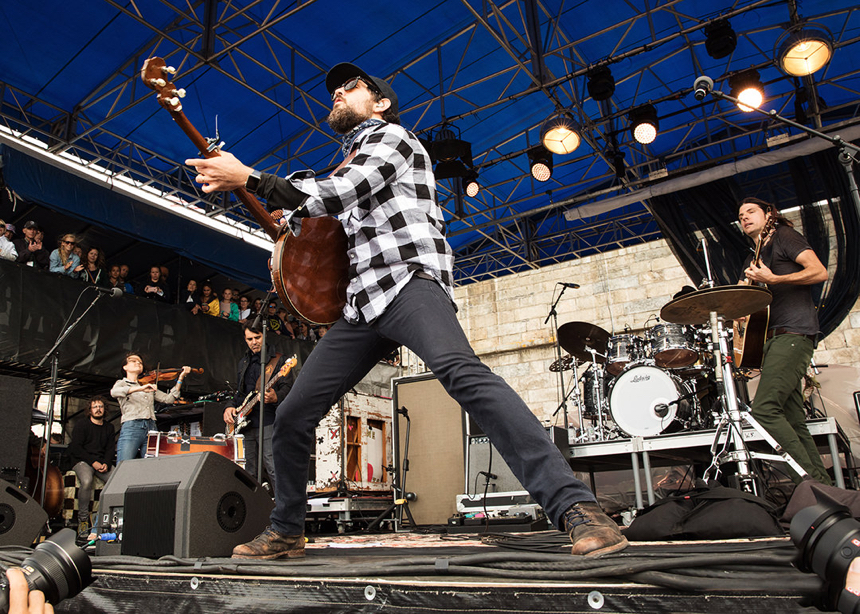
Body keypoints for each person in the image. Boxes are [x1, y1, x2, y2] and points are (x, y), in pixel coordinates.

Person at [187, 62, 626, 559]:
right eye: (334, 89)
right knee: (291, 415)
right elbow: (304, 221)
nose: (337, 92)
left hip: (407, 282)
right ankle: (287, 529)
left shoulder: (394, 139)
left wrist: (248, 175)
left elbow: (335, 194)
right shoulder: (345, 162)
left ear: (380, 103)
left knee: (463, 375)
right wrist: (273, 228)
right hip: (360, 306)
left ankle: (575, 508)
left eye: (351, 86)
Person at [737, 197, 831, 484]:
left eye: (751, 212)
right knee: (793, 419)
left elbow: (820, 271)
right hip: (773, 338)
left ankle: (810, 483)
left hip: (793, 333)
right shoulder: (753, 257)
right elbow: (742, 297)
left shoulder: (784, 236)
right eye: (740, 216)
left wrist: (775, 279)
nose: (744, 218)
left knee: (764, 409)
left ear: (768, 214)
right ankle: (826, 490)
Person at [223, 322, 294, 492]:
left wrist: (276, 396)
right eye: (249, 339)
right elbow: (239, 392)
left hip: (269, 420)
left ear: (264, 336)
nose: (254, 342)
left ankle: (283, 508)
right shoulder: (243, 362)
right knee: (247, 471)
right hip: (245, 423)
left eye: (257, 338)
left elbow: (289, 389)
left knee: (273, 466)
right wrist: (229, 407)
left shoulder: (279, 360)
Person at [111, 353, 190, 462]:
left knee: (150, 465)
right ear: (125, 367)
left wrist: (180, 378)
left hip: (151, 427)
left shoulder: (147, 384)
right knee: (123, 463)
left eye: (140, 362)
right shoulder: (121, 383)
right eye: (133, 361)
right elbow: (114, 392)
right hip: (132, 426)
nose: (138, 363)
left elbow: (168, 399)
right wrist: (140, 389)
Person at [67, 396, 115, 535]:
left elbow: (110, 449)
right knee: (87, 481)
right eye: (95, 407)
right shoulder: (82, 424)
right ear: (90, 410)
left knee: (116, 481)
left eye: (100, 407)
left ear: (105, 409)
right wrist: (93, 462)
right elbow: (76, 447)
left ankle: (102, 519)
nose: (98, 409)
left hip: (101, 462)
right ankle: (83, 520)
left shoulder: (109, 427)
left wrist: (106, 463)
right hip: (82, 460)